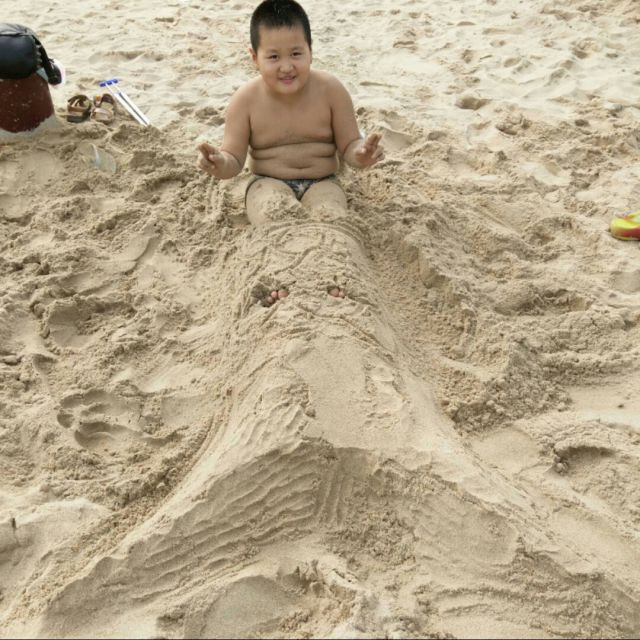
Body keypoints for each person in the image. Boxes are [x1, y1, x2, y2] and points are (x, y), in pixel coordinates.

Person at [197, 0, 385, 229]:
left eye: (296, 53)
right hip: (267, 182)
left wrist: (361, 154)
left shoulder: (331, 91)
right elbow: (234, 160)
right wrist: (219, 163)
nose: (286, 67)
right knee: (272, 218)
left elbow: (349, 145)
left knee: (332, 220)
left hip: (323, 181)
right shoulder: (245, 101)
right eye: (273, 57)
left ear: (310, 51)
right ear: (255, 58)